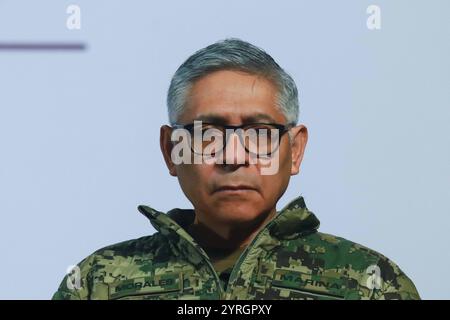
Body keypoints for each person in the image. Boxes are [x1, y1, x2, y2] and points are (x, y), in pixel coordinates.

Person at [53, 38, 420, 300]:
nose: (233, 155)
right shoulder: (96, 283)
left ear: (295, 150)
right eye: (207, 134)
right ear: (171, 151)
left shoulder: (371, 284)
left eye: (259, 133)